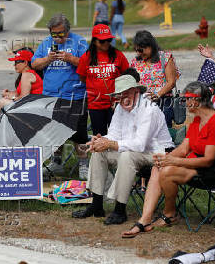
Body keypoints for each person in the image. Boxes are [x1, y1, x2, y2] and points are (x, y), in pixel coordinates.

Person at [121, 81, 215, 238]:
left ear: (196, 100)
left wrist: (173, 162)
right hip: (198, 164)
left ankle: (169, 214)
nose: (185, 103)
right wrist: (166, 158)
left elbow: (208, 160)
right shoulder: (197, 120)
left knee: (168, 171)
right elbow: (184, 148)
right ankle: (144, 219)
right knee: (158, 167)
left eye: (186, 99)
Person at [72, 73, 174, 225]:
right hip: (135, 152)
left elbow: (140, 144)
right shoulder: (120, 108)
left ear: (136, 91)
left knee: (127, 156)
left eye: (126, 93)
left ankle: (120, 210)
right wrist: (100, 141)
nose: (122, 98)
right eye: (119, 95)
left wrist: (110, 144)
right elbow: (114, 135)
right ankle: (96, 204)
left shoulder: (149, 109)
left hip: (158, 154)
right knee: (100, 152)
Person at [31, 13, 89, 180]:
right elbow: (34, 64)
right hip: (51, 96)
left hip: (75, 95)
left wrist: (71, 58)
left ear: (68, 30)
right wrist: (48, 59)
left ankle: (83, 164)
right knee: (54, 132)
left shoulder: (79, 42)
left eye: (61, 33)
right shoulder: (46, 44)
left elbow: (88, 64)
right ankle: (56, 162)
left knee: (79, 134)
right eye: (54, 34)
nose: (57, 37)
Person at [76, 24, 129, 137]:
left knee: (118, 137)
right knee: (100, 137)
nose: (106, 43)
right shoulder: (86, 57)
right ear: (94, 41)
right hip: (96, 105)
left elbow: (128, 77)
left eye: (108, 40)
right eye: (102, 41)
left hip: (116, 104)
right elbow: (82, 77)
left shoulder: (118, 55)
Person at [129, 30, 179, 128]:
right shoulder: (135, 62)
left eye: (141, 50)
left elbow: (171, 82)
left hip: (163, 103)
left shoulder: (165, 57)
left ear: (150, 46)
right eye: (137, 50)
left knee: (163, 133)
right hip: (142, 104)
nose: (139, 53)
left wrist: (158, 94)